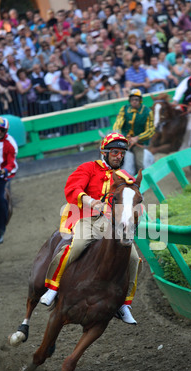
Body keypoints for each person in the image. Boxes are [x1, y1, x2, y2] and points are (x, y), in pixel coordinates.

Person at [40, 132, 141, 325]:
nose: (119, 156)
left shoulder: (126, 177)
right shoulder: (88, 168)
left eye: (122, 153)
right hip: (87, 219)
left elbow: (134, 199)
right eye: (115, 152)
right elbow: (73, 188)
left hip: (112, 224)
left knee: (135, 258)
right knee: (76, 247)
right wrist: (91, 201)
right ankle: (53, 288)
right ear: (104, 152)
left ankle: (124, 304)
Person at [113, 89, 155, 173]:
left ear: (140, 100)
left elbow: (150, 130)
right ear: (129, 100)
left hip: (138, 144)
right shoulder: (124, 109)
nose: (134, 101)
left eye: (136, 99)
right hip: (124, 140)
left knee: (139, 164)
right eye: (132, 99)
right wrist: (117, 133)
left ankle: (141, 182)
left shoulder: (148, 112)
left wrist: (137, 138)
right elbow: (119, 122)